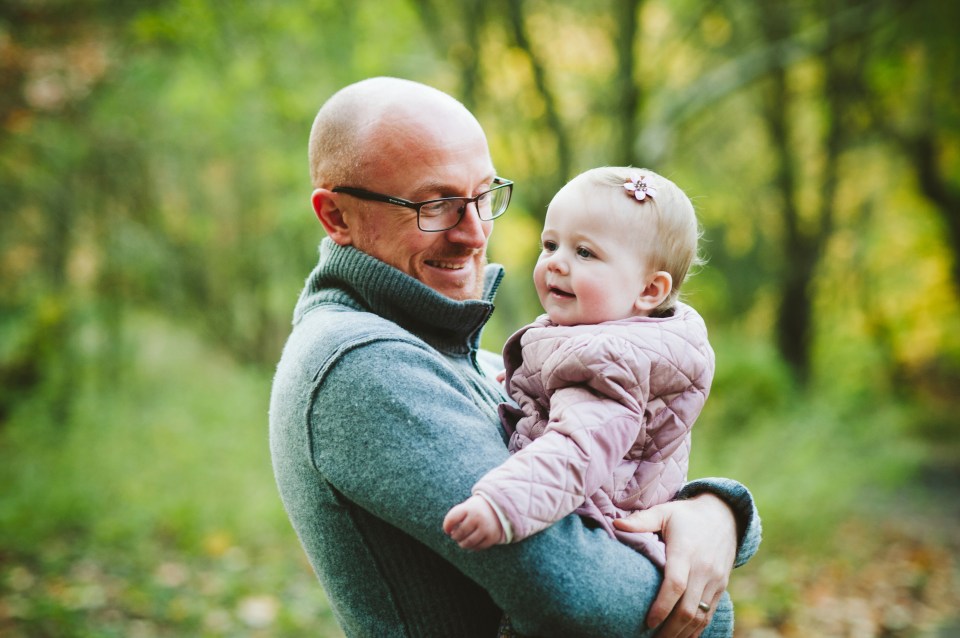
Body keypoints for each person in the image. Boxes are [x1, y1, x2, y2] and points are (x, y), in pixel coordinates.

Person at [269, 77, 761, 638]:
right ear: (336, 216)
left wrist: (717, 514)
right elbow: (578, 596)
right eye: (436, 205)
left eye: (483, 197)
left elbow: (615, 464)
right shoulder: (362, 363)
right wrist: (712, 608)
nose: (476, 234)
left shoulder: (459, 353)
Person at [443, 167, 712, 574]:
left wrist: (502, 505)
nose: (556, 264)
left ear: (649, 290)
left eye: (584, 253)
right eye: (550, 245)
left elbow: (577, 448)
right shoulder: (622, 341)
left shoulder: (609, 362)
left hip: (598, 535)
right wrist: (527, 388)